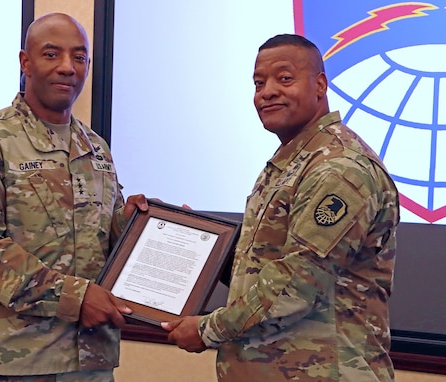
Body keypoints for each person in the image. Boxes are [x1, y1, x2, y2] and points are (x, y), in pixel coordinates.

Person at [163, 34, 400, 382]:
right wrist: (197, 244)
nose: (268, 91)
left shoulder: (338, 168)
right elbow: (263, 268)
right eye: (259, 83)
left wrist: (207, 329)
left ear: (320, 84)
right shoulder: (291, 162)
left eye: (284, 78)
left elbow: (296, 285)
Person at [0, 13, 148, 382]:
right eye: (52, 54)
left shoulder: (95, 147)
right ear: (25, 62)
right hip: (2, 362)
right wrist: (76, 297)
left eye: (79, 57)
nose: (68, 67)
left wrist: (137, 227)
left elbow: (101, 241)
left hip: (87, 362)